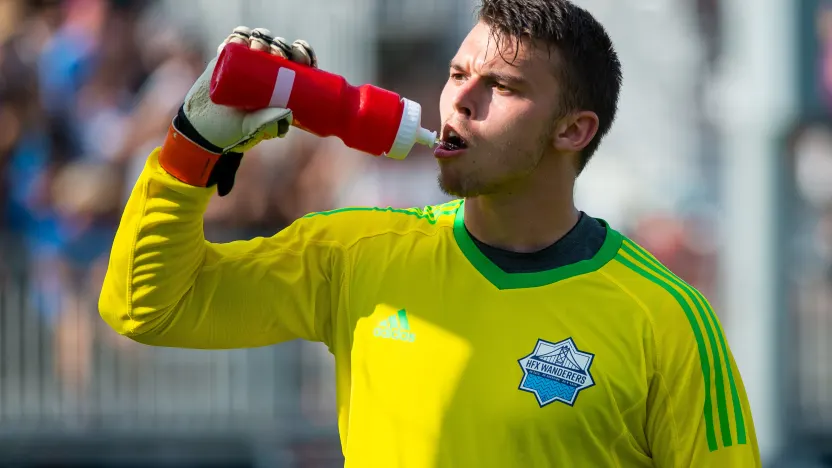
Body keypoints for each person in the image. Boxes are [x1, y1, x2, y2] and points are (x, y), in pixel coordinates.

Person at [98, 0, 761, 466]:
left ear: (573, 130)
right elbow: (147, 308)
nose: (460, 102)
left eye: (500, 86)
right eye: (456, 74)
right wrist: (191, 151)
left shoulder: (668, 318)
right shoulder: (358, 253)